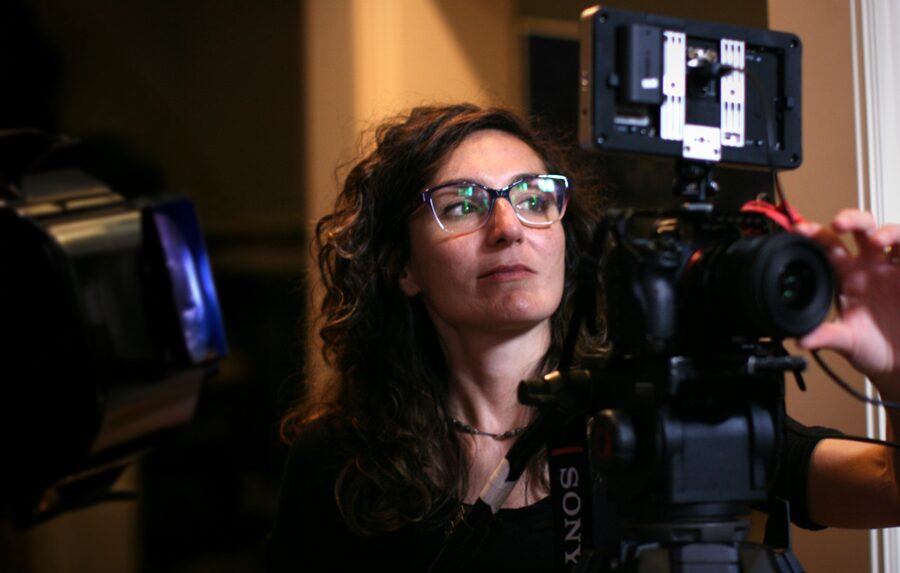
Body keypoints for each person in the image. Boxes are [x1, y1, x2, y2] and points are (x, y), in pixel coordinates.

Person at [265, 103, 900, 572]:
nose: (509, 227)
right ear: (400, 265)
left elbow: (889, 489)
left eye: (534, 197)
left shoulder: (667, 408)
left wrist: (893, 366)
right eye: (463, 205)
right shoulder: (340, 460)